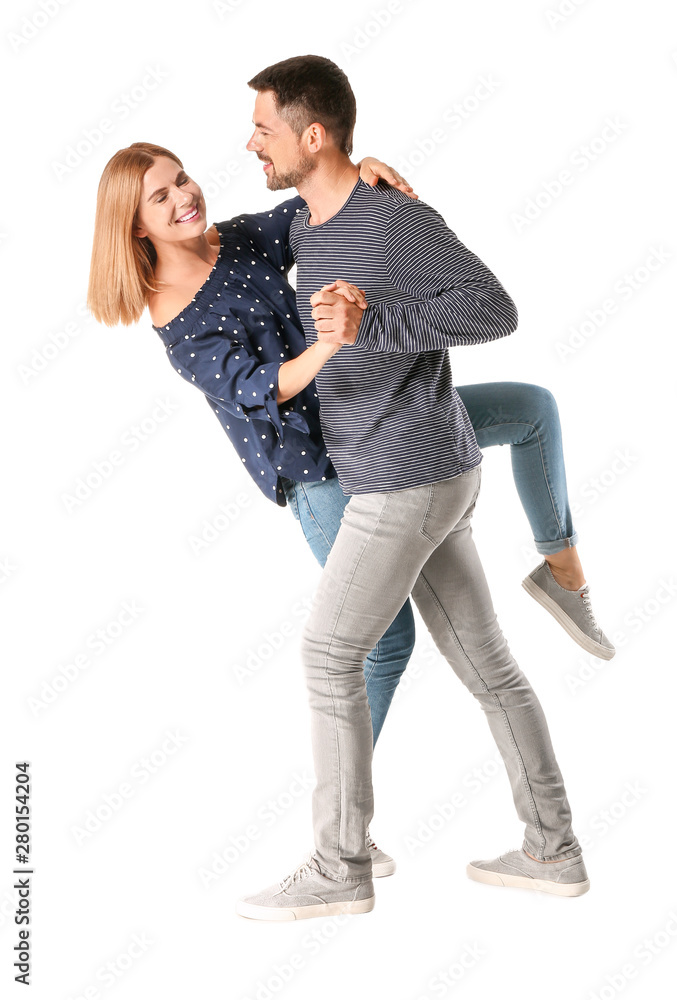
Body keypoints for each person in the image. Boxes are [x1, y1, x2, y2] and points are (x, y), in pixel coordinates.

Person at [235, 55, 594, 922]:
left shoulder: (390, 220)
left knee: (329, 657)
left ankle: (337, 867)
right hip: (416, 473)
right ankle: (553, 849)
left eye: (262, 128)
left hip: (407, 474)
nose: (250, 143)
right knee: (491, 671)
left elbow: (492, 308)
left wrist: (377, 321)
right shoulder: (312, 227)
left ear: (310, 135)